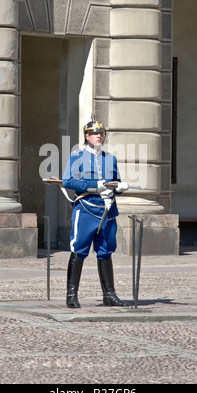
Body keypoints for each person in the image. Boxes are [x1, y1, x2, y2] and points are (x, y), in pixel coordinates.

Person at [62, 118, 129, 308]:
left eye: (101, 133)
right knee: (79, 250)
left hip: (108, 209)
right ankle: (71, 295)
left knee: (105, 251)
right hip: (86, 208)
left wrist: (119, 188)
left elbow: (114, 182)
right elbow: (68, 181)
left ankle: (109, 294)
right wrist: (95, 186)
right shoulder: (77, 156)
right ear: (87, 136)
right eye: (94, 133)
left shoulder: (110, 159)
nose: (98, 136)